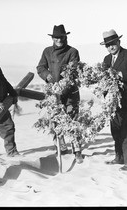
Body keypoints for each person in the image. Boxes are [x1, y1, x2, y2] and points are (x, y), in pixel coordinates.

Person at [37, 24, 83, 164]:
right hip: (53, 94)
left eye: (61, 37)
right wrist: (47, 76)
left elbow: (73, 71)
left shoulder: (72, 52)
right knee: (56, 122)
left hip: (70, 93)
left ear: (65, 37)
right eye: (56, 37)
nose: (59, 40)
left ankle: (77, 151)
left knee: (73, 121)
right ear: (53, 38)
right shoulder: (47, 51)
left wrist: (63, 85)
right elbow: (40, 67)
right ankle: (61, 147)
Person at [100, 29, 127, 171]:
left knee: (126, 129)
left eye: (112, 44)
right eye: (107, 45)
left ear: (119, 41)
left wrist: (120, 74)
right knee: (115, 129)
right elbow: (105, 78)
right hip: (112, 101)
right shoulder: (106, 60)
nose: (110, 47)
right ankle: (119, 157)